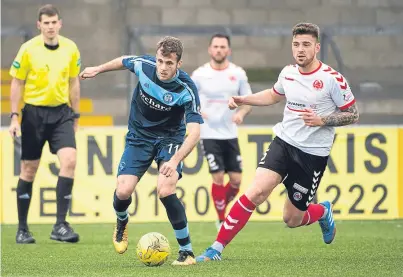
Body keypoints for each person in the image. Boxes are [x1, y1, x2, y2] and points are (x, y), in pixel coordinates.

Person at [196, 22, 359, 262]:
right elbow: (273, 95)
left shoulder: (332, 79)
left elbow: (353, 114)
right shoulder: (288, 73)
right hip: (283, 143)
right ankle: (216, 248)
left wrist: (322, 119)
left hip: (312, 155)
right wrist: (244, 99)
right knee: (255, 192)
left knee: (292, 219)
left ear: (316, 47)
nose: (300, 49)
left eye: (306, 45)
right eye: (296, 44)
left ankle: (322, 211)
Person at [79, 36, 203, 265]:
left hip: (169, 139)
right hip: (139, 138)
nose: (163, 68)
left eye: (169, 63)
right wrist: (98, 68)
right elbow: (124, 61)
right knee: (123, 191)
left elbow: (195, 133)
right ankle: (122, 221)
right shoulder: (145, 66)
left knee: (165, 189)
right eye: (160, 61)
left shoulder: (187, 89)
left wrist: (174, 160)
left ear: (179, 64)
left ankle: (186, 252)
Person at [9, 4, 81, 244]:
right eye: (46, 23)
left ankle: (60, 225)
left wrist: (76, 115)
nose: (50, 27)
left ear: (60, 23)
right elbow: (17, 83)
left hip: (61, 113)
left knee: (70, 160)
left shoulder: (71, 48)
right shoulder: (28, 49)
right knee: (29, 168)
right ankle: (22, 229)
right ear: (39, 25)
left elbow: (73, 82)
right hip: (33, 114)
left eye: (54, 22)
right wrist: (14, 116)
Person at [191, 34, 252, 230]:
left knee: (236, 181)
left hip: (230, 134)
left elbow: (249, 100)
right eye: (215, 46)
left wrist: (241, 113)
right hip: (209, 134)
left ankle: (220, 204)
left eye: (222, 47)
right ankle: (221, 219)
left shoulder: (238, 73)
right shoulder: (199, 74)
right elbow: (189, 99)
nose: (219, 50)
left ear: (229, 50)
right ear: (210, 49)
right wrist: (198, 111)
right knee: (217, 176)